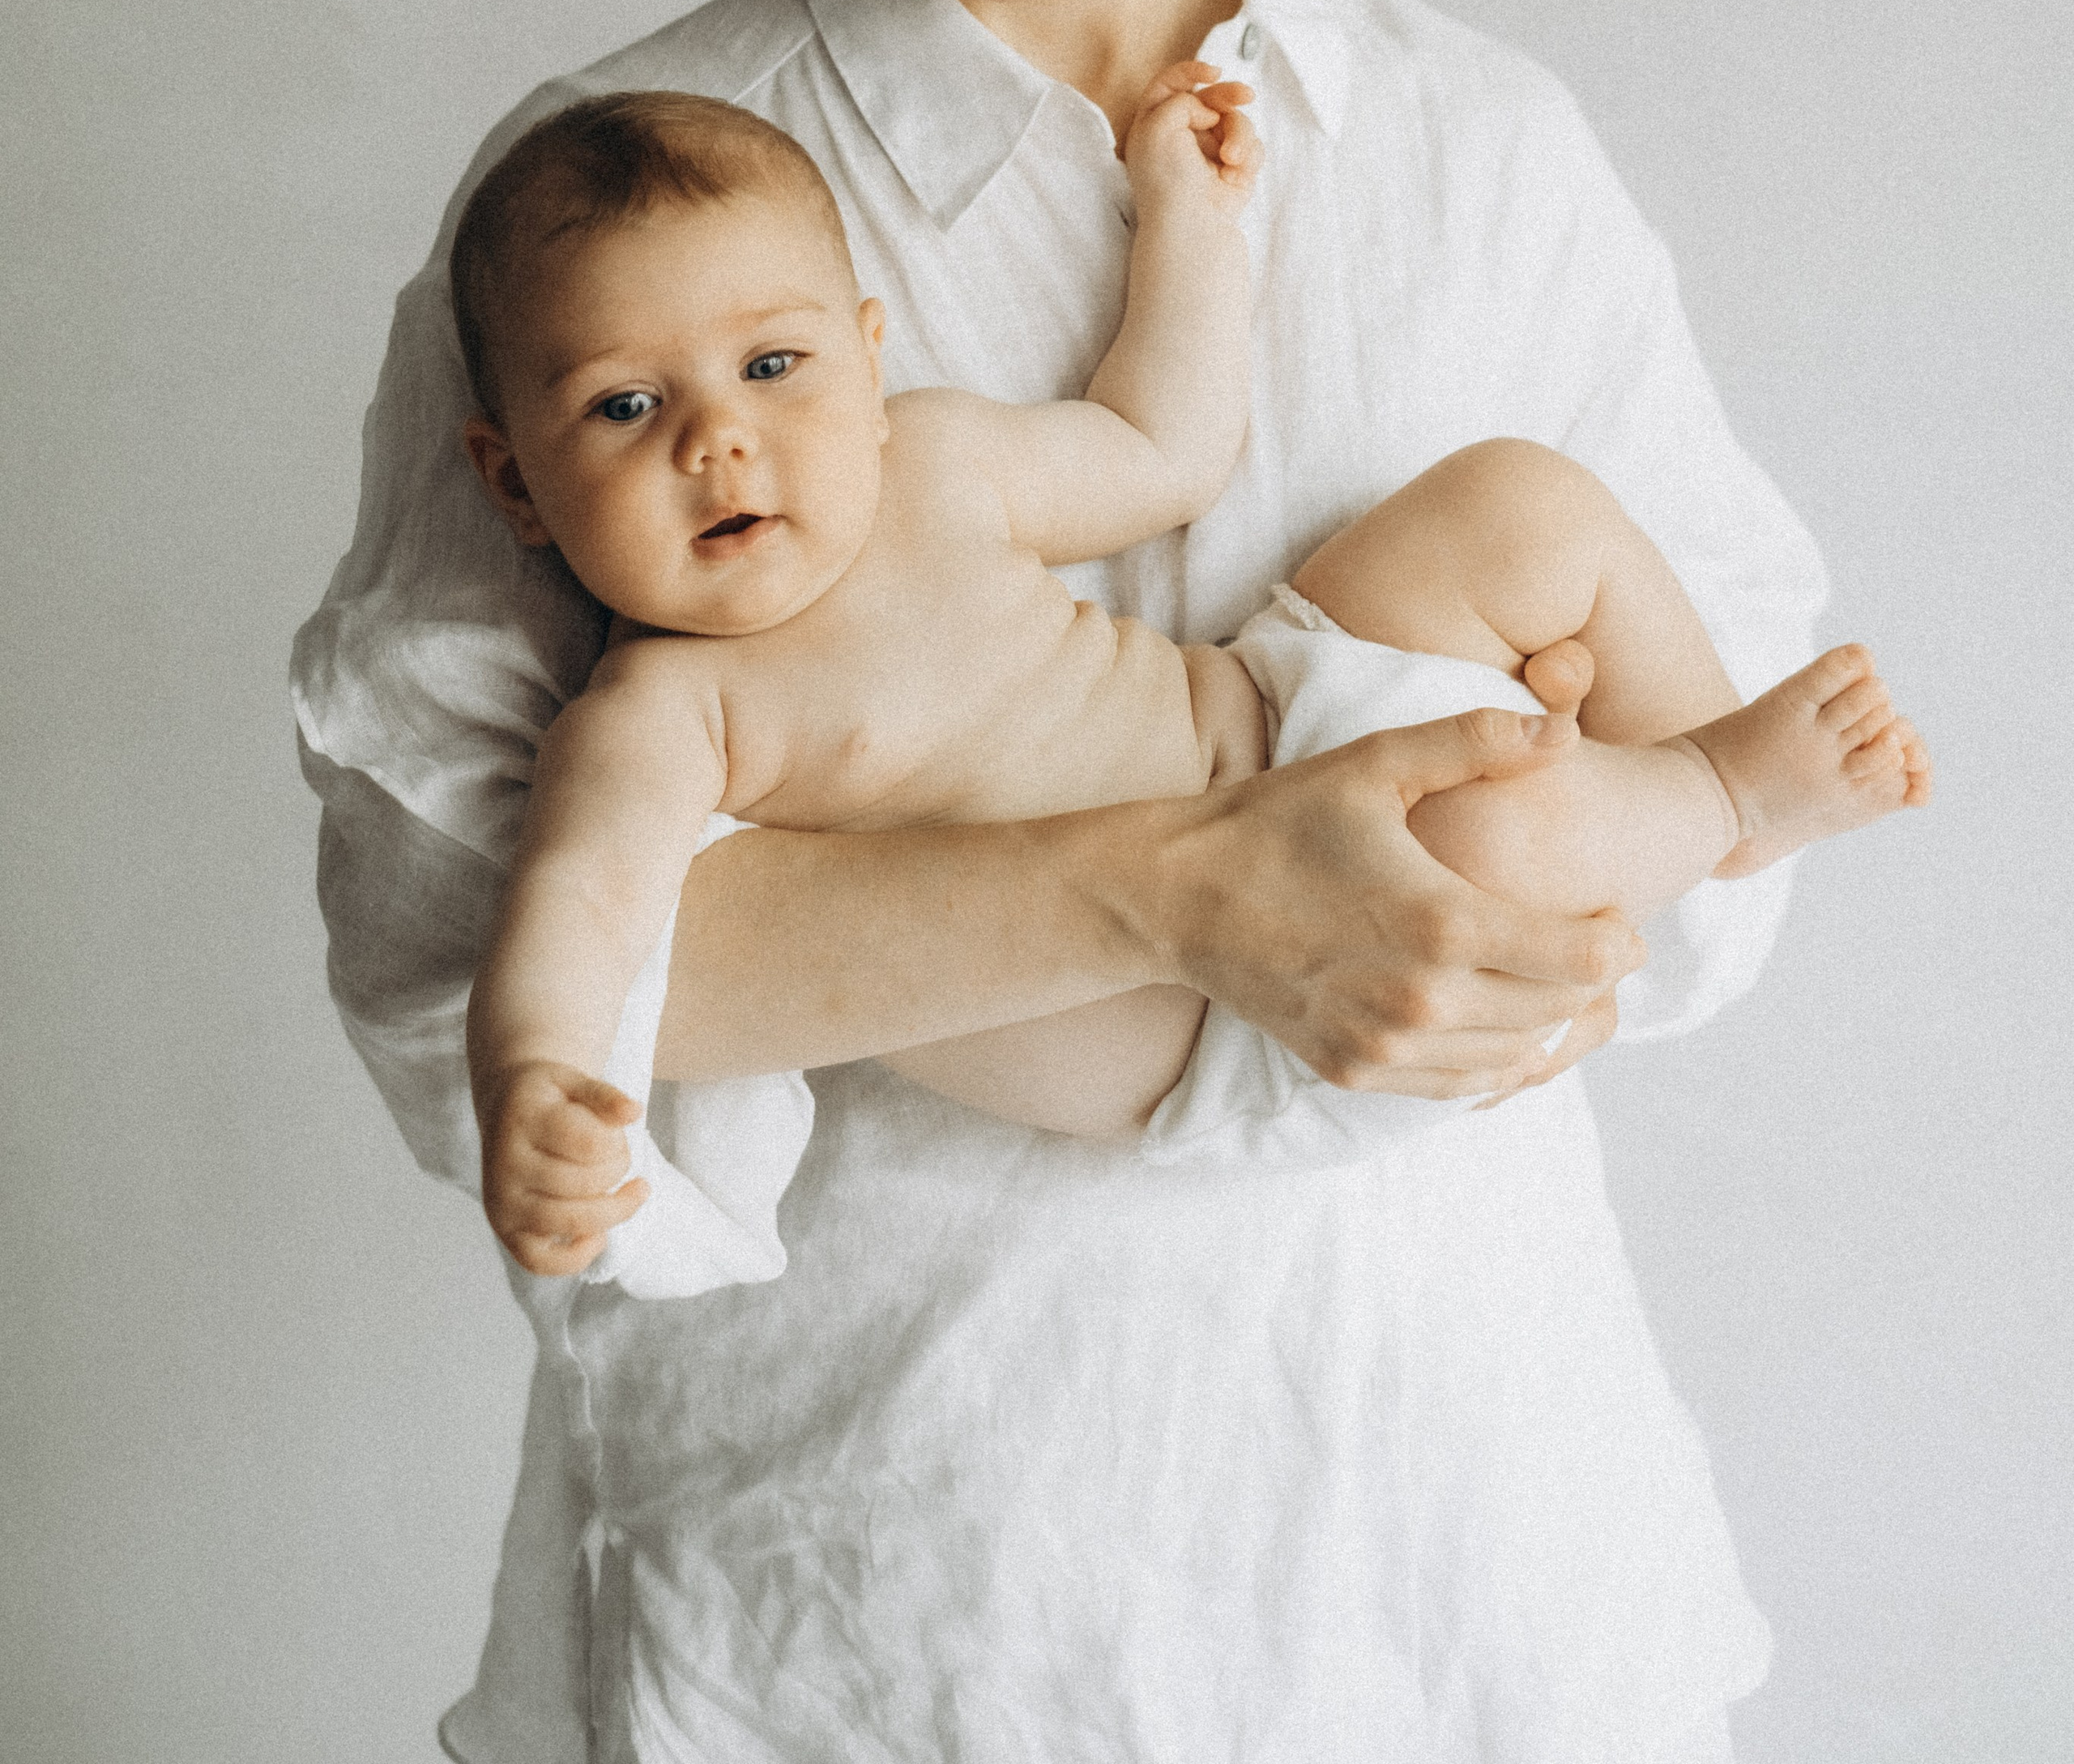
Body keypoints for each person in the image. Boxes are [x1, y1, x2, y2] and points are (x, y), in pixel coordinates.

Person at [293, 0, 1843, 1762]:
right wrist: (1163, 892)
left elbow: (1727, 850)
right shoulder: (614, 234)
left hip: (1463, 1581)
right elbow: (458, 980)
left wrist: (1549, 894)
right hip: (875, 1611)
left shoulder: (1473, 151)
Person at [450, 85, 1925, 1280]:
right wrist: (532, 1081)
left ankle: (1689, 749)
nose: (718, 441)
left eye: (774, 366)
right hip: (1241, 1019)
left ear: (867, 355)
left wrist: (1191, 222)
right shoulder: (660, 718)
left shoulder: (939, 462)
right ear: (514, 482)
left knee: (1515, 505)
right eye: (625, 406)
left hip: (1278, 707)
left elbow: (1165, 444)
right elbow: (584, 919)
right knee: (1490, 839)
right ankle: (1720, 794)